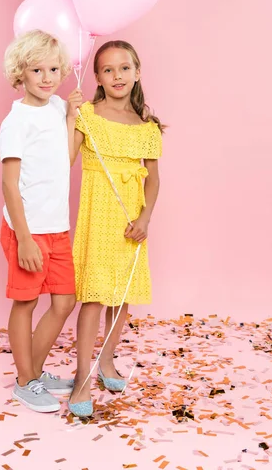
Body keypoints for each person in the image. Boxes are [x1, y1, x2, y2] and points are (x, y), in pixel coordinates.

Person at [67, 40, 163, 417]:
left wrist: (145, 218)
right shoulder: (88, 115)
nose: (117, 76)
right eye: (108, 70)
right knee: (94, 295)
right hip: (99, 216)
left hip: (130, 220)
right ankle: (82, 377)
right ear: (97, 78)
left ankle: (106, 360)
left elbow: (153, 179)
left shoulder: (147, 127)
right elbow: (66, 158)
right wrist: (70, 119)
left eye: (124, 68)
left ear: (137, 73)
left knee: (121, 296)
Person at [0, 29, 82, 413]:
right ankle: (25, 381)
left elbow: (64, 162)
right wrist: (26, 239)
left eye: (53, 69)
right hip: (26, 230)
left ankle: (34, 371)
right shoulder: (16, 122)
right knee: (26, 302)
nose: (47, 78)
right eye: (37, 70)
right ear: (21, 73)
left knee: (65, 301)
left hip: (58, 226)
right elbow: (9, 186)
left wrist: (72, 118)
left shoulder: (55, 108)